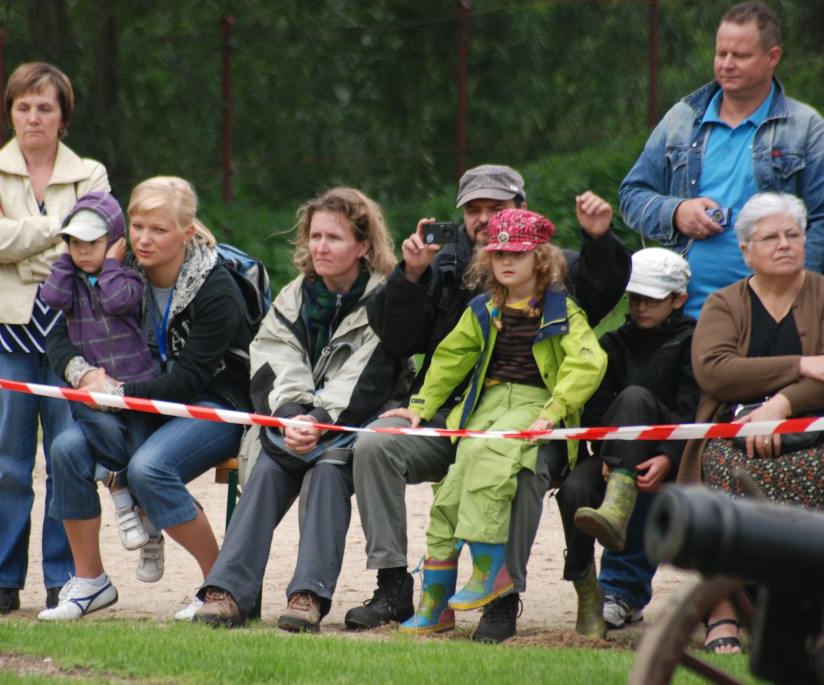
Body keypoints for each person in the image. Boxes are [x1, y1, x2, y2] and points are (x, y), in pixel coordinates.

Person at [347, 164, 629, 642]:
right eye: (473, 212)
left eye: (495, 210)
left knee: (502, 466)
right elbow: (442, 356)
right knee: (401, 454)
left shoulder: (562, 294)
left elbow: (588, 353)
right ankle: (414, 592)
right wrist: (417, 403)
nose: (504, 259)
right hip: (468, 414)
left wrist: (552, 412)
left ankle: (499, 594)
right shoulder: (457, 280)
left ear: (539, 251)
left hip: (539, 417)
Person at [193, 187, 410, 632]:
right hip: (290, 423)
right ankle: (228, 591)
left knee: (327, 469)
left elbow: (368, 378)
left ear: (363, 246)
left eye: (334, 237)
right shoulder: (294, 296)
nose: (320, 247)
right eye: (315, 236)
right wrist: (293, 414)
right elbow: (273, 356)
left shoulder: (385, 300)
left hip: (354, 425)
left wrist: (319, 420)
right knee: (272, 466)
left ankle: (307, 594)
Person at [39, 176, 252, 621]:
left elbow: (188, 382)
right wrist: (83, 374)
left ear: (186, 233)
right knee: (64, 451)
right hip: (131, 403)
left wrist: (113, 393)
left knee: (150, 468)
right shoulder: (114, 271)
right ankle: (91, 581)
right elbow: (57, 335)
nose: (143, 239)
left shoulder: (216, 288)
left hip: (211, 404)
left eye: (158, 229)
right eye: (137, 226)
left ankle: (223, 587)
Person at [0, 62, 109, 615]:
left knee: (67, 454)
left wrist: (25, 242)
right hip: (4, 333)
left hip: (74, 334)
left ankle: (64, 579)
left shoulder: (90, 172)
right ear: (10, 112)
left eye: (45, 107)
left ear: (63, 116)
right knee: (8, 460)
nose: (33, 117)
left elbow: (95, 245)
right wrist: (59, 229)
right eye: (23, 106)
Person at [678, 192, 824, 653]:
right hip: (732, 431)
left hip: (814, 432)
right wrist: (802, 365)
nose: (784, 244)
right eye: (771, 237)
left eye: (793, 235)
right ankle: (722, 609)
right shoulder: (724, 304)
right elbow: (715, 372)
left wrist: (781, 404)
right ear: (746, 250)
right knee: (720, 470)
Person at [619, 1, 824, 318]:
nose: (727, 64)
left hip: (772, 317)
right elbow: (631, 196)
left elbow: (821, 219)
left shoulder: (805, 127)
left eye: (740, 55)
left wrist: (797, 293)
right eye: (721, 53)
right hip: (681, 315)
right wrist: (676, 212)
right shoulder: (681, 119)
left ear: (773, 57)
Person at [556, 248, 698, 638]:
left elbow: (695, 411)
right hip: (616, 454)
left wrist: (669, 458)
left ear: (678, 299)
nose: (639, 307)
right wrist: (613, 452)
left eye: (650, 299)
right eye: (633, 297)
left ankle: (621, 590)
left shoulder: (694, 340)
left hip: (673, 454)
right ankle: (588, 592)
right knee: (574, 490)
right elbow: (593, 410)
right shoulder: (611, 343)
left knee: (635, 395)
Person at [39, 191, 157, 553]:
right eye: (74, 242)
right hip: (92, 389)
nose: (83, 250)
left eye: (93, 242)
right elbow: (51, 297)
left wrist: (110, 264)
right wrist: (63, 259)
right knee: (100, 429)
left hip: (135, 384)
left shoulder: (130, 278)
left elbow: (116, 300)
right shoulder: (69, 282)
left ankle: (151, 525)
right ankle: (121, 495)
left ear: (115, 243)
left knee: (139, 450)